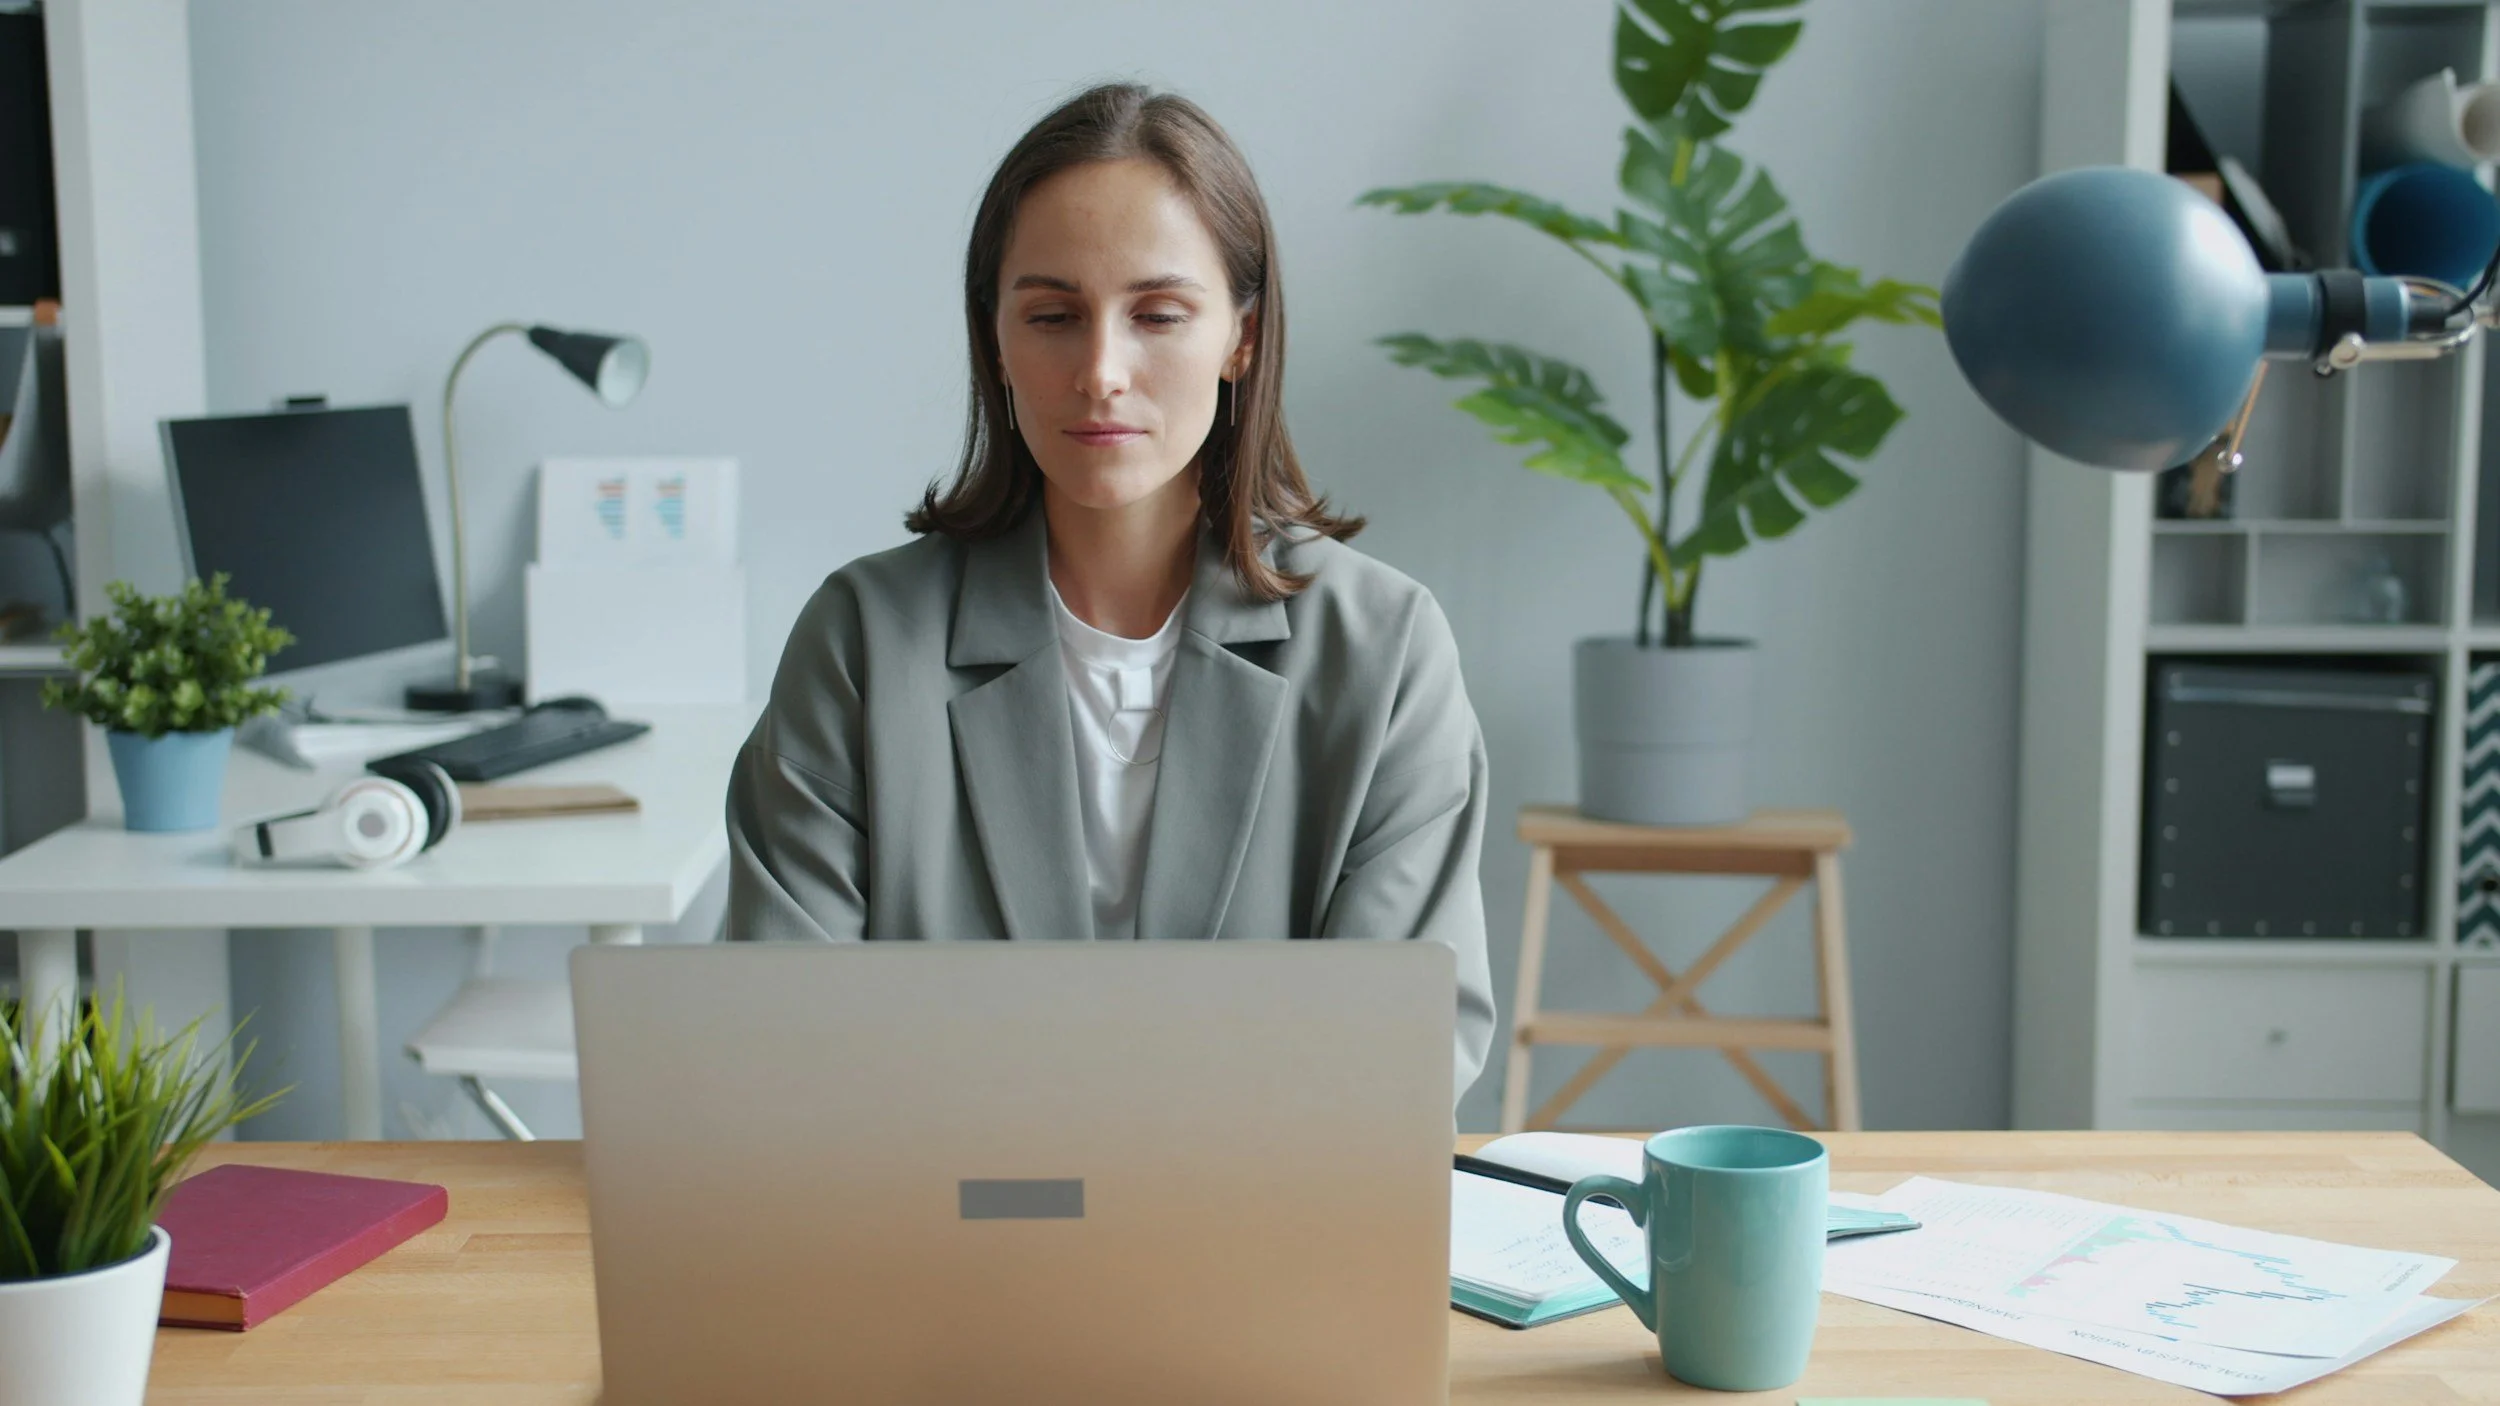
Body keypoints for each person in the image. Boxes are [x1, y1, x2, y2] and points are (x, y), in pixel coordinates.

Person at [724, 81, 1495, 1097]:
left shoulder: (1386, 646)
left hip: (1254, 1231)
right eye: (1051, 315)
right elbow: (780, 1033)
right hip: (936, 1233)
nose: (1099, 370)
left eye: (1158, 314)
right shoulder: (862, 638)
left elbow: (1400, 1048)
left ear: (1242, 338)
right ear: (994, 338)